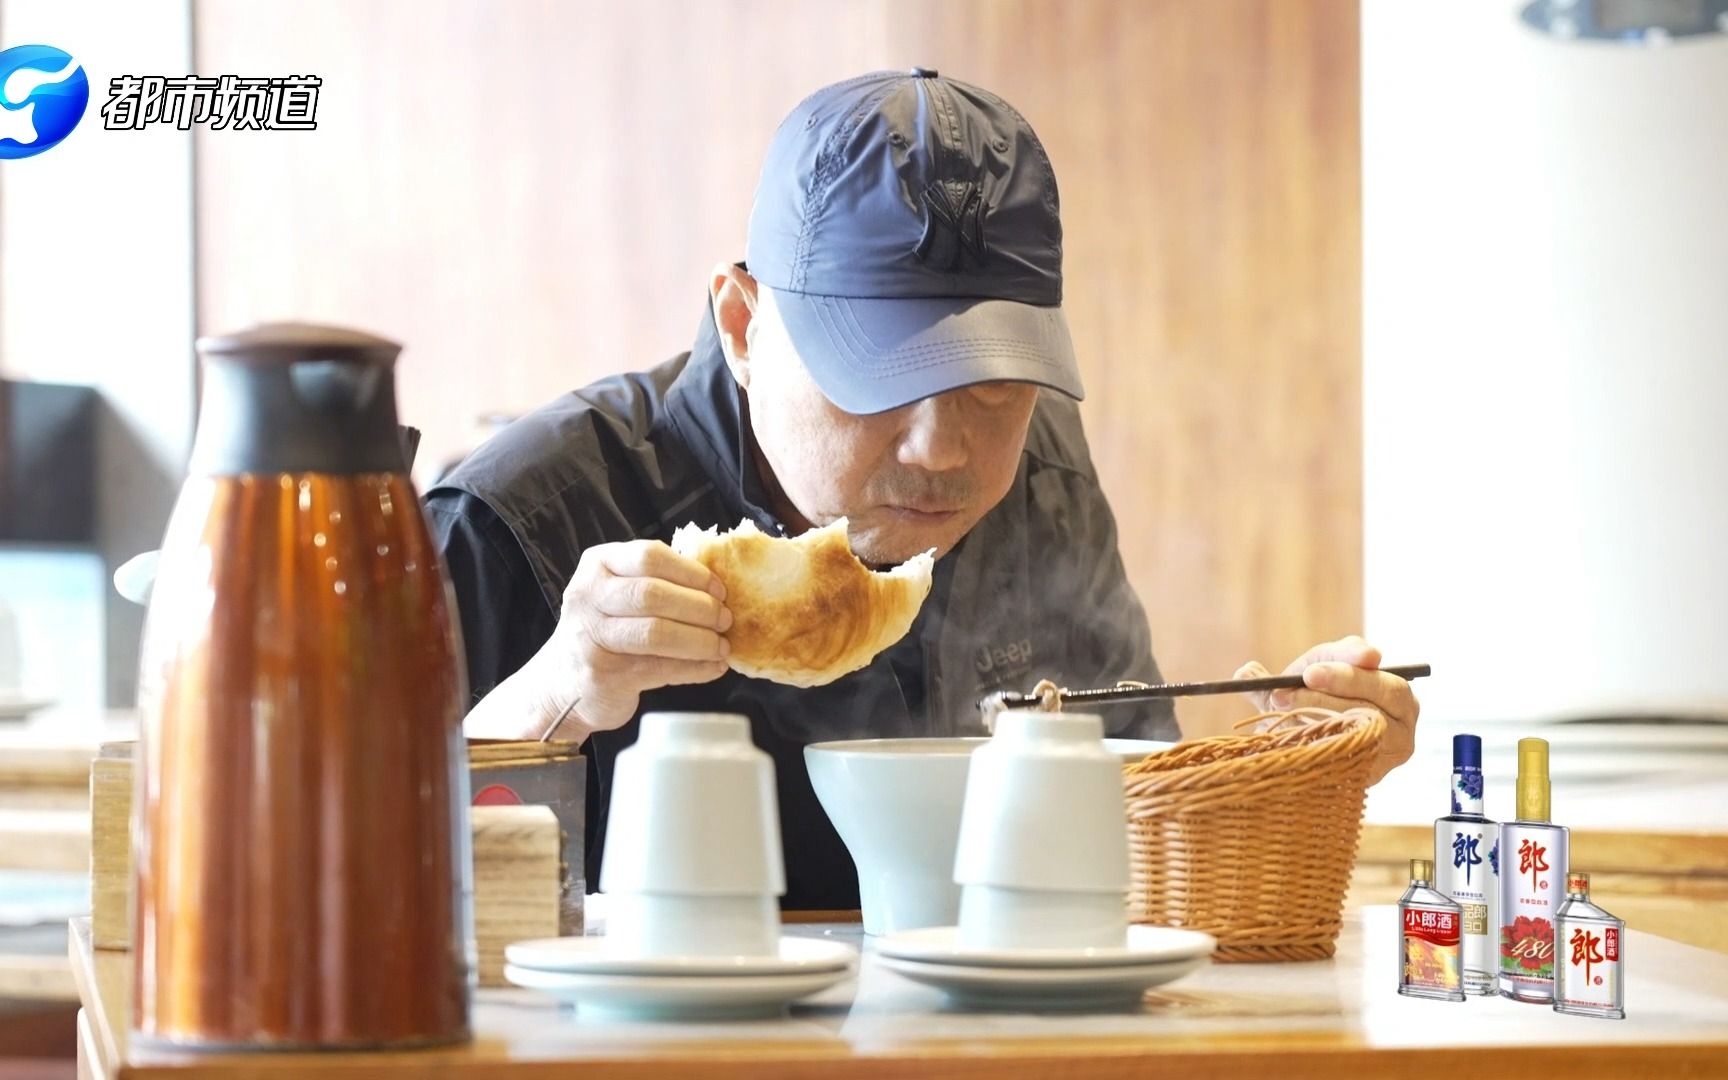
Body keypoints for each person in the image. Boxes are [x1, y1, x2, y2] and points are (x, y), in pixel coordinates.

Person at [426, 69, 1418, 911]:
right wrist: (554, 694)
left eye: (992, 382)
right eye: (879, 376)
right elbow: (354, 888)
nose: (945, 451)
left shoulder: (1038, 480)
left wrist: (1286, 770)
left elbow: (1122, 828)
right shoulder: (522, 516)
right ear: (742, 324)